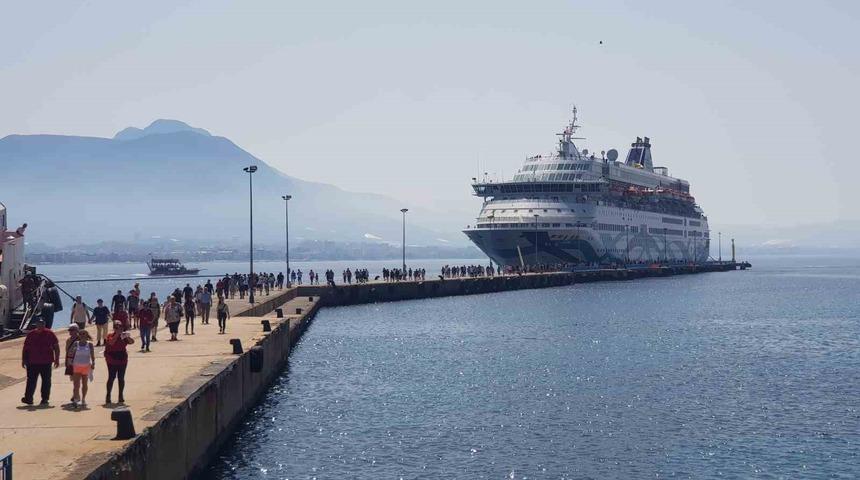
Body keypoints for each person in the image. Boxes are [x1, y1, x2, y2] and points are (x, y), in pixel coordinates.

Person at [21, 319, 59, 406]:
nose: (40, 326)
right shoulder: (31, 334)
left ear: (44, 325)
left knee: (46, 381)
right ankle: (28, 398)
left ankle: (45, 399)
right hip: (32, 361)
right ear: (36, 325)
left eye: (42, 324)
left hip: (46, 362)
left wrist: (56, 359)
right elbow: (25, 348)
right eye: (39, 324)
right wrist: (23, 360)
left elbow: (56, 347)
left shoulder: (50, 333)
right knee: (31, 380)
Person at [104, 321, 134, 404]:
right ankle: (108, 395)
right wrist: (117, 334)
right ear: (114, 328)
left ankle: (120, 395)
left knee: (121, 378)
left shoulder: (124, 336)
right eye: (117, 327)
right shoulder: (110, 335)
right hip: (112, 359)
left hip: (122, 358)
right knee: (111, 377)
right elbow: (111, 343)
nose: (119, 329)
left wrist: (126, 337)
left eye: (120, 327)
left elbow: (132, 342)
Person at [69, 330, 95, 409]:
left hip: (86, 366)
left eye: (84, 334)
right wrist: (72, 352)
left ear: (87, 335)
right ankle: (76, 400)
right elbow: (70, 353)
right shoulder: (76, 343)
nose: (82, 335)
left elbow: (92, 356)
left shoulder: (89, 344)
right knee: (76, 385)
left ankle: (83, 399)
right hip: (77, 366)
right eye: (80, 334)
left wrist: (93, 363)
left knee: (84, 384)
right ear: (79, 335)